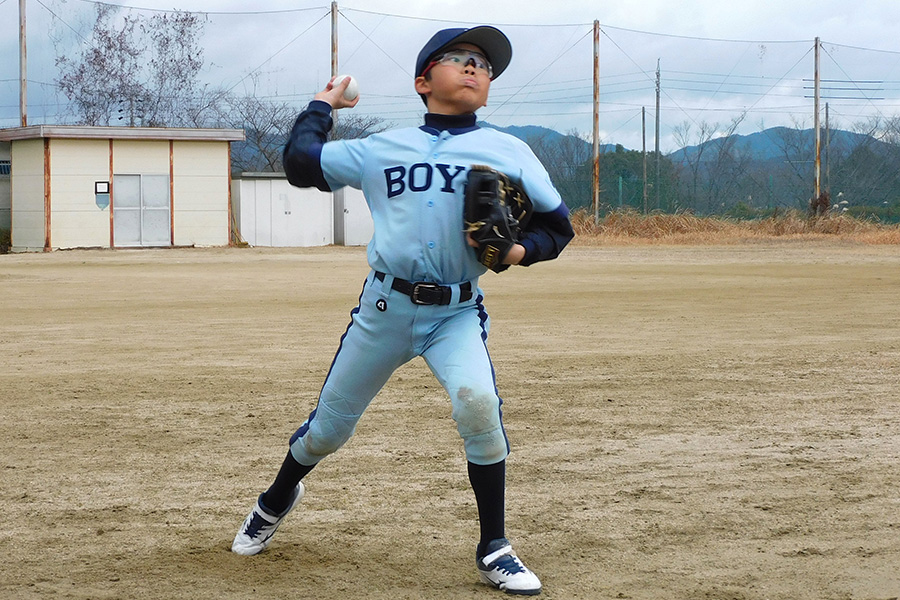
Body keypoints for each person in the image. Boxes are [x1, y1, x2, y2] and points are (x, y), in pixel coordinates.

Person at [232, 25, 574, 596]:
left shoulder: (510, 151)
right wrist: (323, 103)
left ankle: (495, 545)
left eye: (484, 65)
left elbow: (556, 227)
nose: (474, 68)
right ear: (423, 80)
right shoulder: (381, 148)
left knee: (479, 405)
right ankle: (274, 499)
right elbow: (300, 163)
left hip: (456, 313)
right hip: (384, 310)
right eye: (459, 58)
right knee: (326, 433)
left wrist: (518, 250)